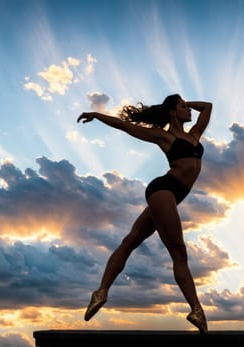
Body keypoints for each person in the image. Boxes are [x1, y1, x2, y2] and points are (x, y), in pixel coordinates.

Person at [77, 94, 212, 334]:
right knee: (179, 251)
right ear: (172, 111)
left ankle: (100, 293)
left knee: (130, 241)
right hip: (164, 190)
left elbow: (207, 107)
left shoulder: (194, 135)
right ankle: (196, 310)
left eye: (187, 107)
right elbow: (124, 126)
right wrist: (97, 115)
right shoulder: (165, 136)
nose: (189, 111)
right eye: (182, 107)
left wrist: (183, 103)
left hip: (173, 196)